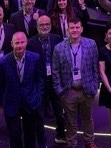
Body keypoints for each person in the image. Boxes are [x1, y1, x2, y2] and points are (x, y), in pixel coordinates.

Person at [53, 18, 101, 148]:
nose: (74, 30)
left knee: (88, 118)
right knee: (70, 121)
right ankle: (72, 143)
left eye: (77, 27)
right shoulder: (59, 48)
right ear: (67, 30)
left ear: (81, 29)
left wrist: (95, 86)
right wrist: (59, 90)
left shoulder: (91, 44)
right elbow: (55, 72)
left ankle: (89, 141)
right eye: (72, 28)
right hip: (68, 91)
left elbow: (95, 67)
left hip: (87, 89)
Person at [0, 32, 45, 148]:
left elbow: (40, 80)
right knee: (14, 135)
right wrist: (0, 103)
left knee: (30, 135)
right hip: (11, 103)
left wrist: (38, 97)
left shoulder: (35, 58)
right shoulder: (3, 62)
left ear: (26, 42)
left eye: (22, 42)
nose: (19, 45)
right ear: (12, 44)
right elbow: (0, 84)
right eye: (17, 43)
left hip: (31, 102)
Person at [26, 15, 66, 146]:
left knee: (59, 112)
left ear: (50, 25)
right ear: (37, 26)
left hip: (55, 81)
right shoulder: (31, 43)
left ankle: (61, 135)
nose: (45, 27)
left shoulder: (57, 39)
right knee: (39, 114)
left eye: (47, 24)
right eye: (42, 25)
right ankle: (42, 141)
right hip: (39, 83)